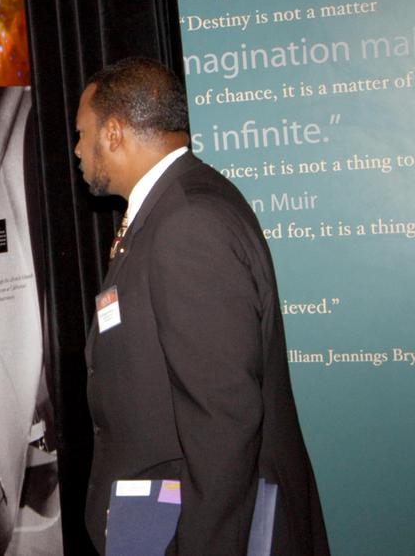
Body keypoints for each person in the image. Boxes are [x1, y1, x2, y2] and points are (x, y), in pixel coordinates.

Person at [75, 57, 328, 555]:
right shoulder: (178, 203)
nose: (78, 151)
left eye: (83, 134)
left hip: (196, 529)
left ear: (116, 132)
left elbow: (224, 420)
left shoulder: (187, 223)